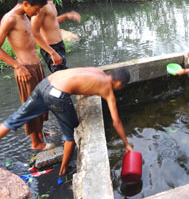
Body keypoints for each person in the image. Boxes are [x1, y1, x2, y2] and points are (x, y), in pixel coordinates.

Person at [0, 67, 134, 179]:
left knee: (14, 118)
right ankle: (63, 171)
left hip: (45, 83)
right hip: (57, 95)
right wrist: (126, 144)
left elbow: (83, 84)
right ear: (119, 84)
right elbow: (116, 122)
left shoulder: (97, 71)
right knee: (71, 135)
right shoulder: (108, 90)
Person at [0, 0, 51, 150]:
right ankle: (35, 143)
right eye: (35, 10)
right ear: (27, 4)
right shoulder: (10, 18)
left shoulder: (24, 16)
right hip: (25, 69)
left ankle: (40, 133)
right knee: (31, 105)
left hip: (35, 66)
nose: (36, 14)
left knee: (41, 102)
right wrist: (17, 66)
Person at [31, 0, 81, 72]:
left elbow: (51, 22)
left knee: (62, 74)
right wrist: (52, 53)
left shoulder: (49, 1)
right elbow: (34, 32)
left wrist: (66, 16)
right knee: (60, 76)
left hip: (59, 45)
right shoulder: (40, 5)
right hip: (51, 48)